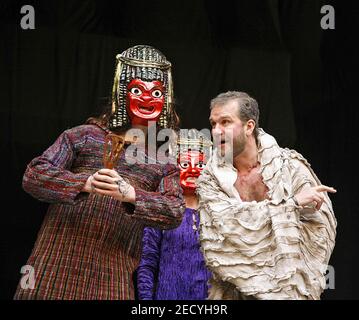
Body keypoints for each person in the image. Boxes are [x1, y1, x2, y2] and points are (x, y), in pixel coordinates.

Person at [14, 45, 185, 300]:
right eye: (137, 90)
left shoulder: (164, 163)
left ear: (166, 100)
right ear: (121, 92)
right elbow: (33, 176)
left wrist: (130, 195)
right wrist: (86, 183)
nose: (147, 99)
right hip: (52, 270)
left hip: (112, 279)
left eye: (157, 93)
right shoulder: (83, 136)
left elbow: (174, 211)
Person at [196, 91, 337, 300]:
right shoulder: (209, 180)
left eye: (225, 122)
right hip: (231, 292)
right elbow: (221, 238)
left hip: (288, 291)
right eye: (213, 124)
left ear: (249, 126)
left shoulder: (290, 168)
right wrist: (291, 206)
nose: (216, 131)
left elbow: (320, 230)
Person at [136, 129, 212, 300]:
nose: (193, 170)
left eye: (200, 165)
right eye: (185, 164)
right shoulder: (163, 210)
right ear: (174, 168)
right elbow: (148, 263)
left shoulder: (219, 213)